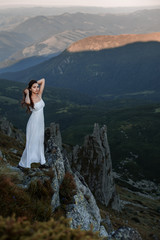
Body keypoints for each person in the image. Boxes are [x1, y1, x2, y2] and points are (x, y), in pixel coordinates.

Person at [18, 78, 47, 169]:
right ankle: (23, 164)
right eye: (34, 87)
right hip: (33, 124)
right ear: (30, 89)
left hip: (40, 123)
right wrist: (27, 92)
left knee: (39, 142)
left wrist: (32, 84)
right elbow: (27, 102)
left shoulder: (39, 95)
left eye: (37, 87)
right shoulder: (29, 98)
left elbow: (43, 80)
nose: (37, 88)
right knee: (31, 143)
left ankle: (42, 162)